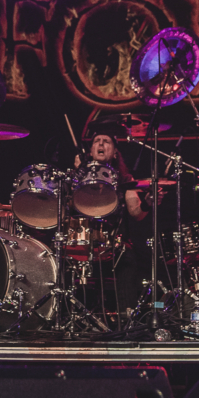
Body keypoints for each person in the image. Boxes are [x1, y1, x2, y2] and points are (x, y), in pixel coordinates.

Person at [72, 123, 148, 318]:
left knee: (127, 260)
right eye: (97, 141)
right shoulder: (75, 178)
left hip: (114, 248)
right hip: (83, 245)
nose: (100, 144)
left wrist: (148, 203)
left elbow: (136, 213)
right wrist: (79, 175)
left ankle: (127, 318)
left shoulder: (124, 180)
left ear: (115, 153)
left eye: (106, 142)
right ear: (90, 150)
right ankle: (74, 318)